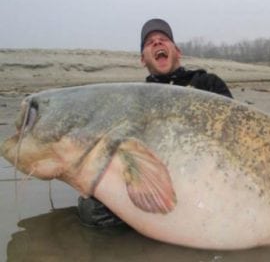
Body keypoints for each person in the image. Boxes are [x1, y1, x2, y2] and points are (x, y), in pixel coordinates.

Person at [77, 18, 233, 227]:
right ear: (143, 59)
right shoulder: (135, 100)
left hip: (207, 173)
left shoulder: (208, 83)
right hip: (155, 179)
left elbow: (234, 130)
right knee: (92, 210)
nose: (157, 43)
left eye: (163, 39)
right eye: (150, 42)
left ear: (177, 50)